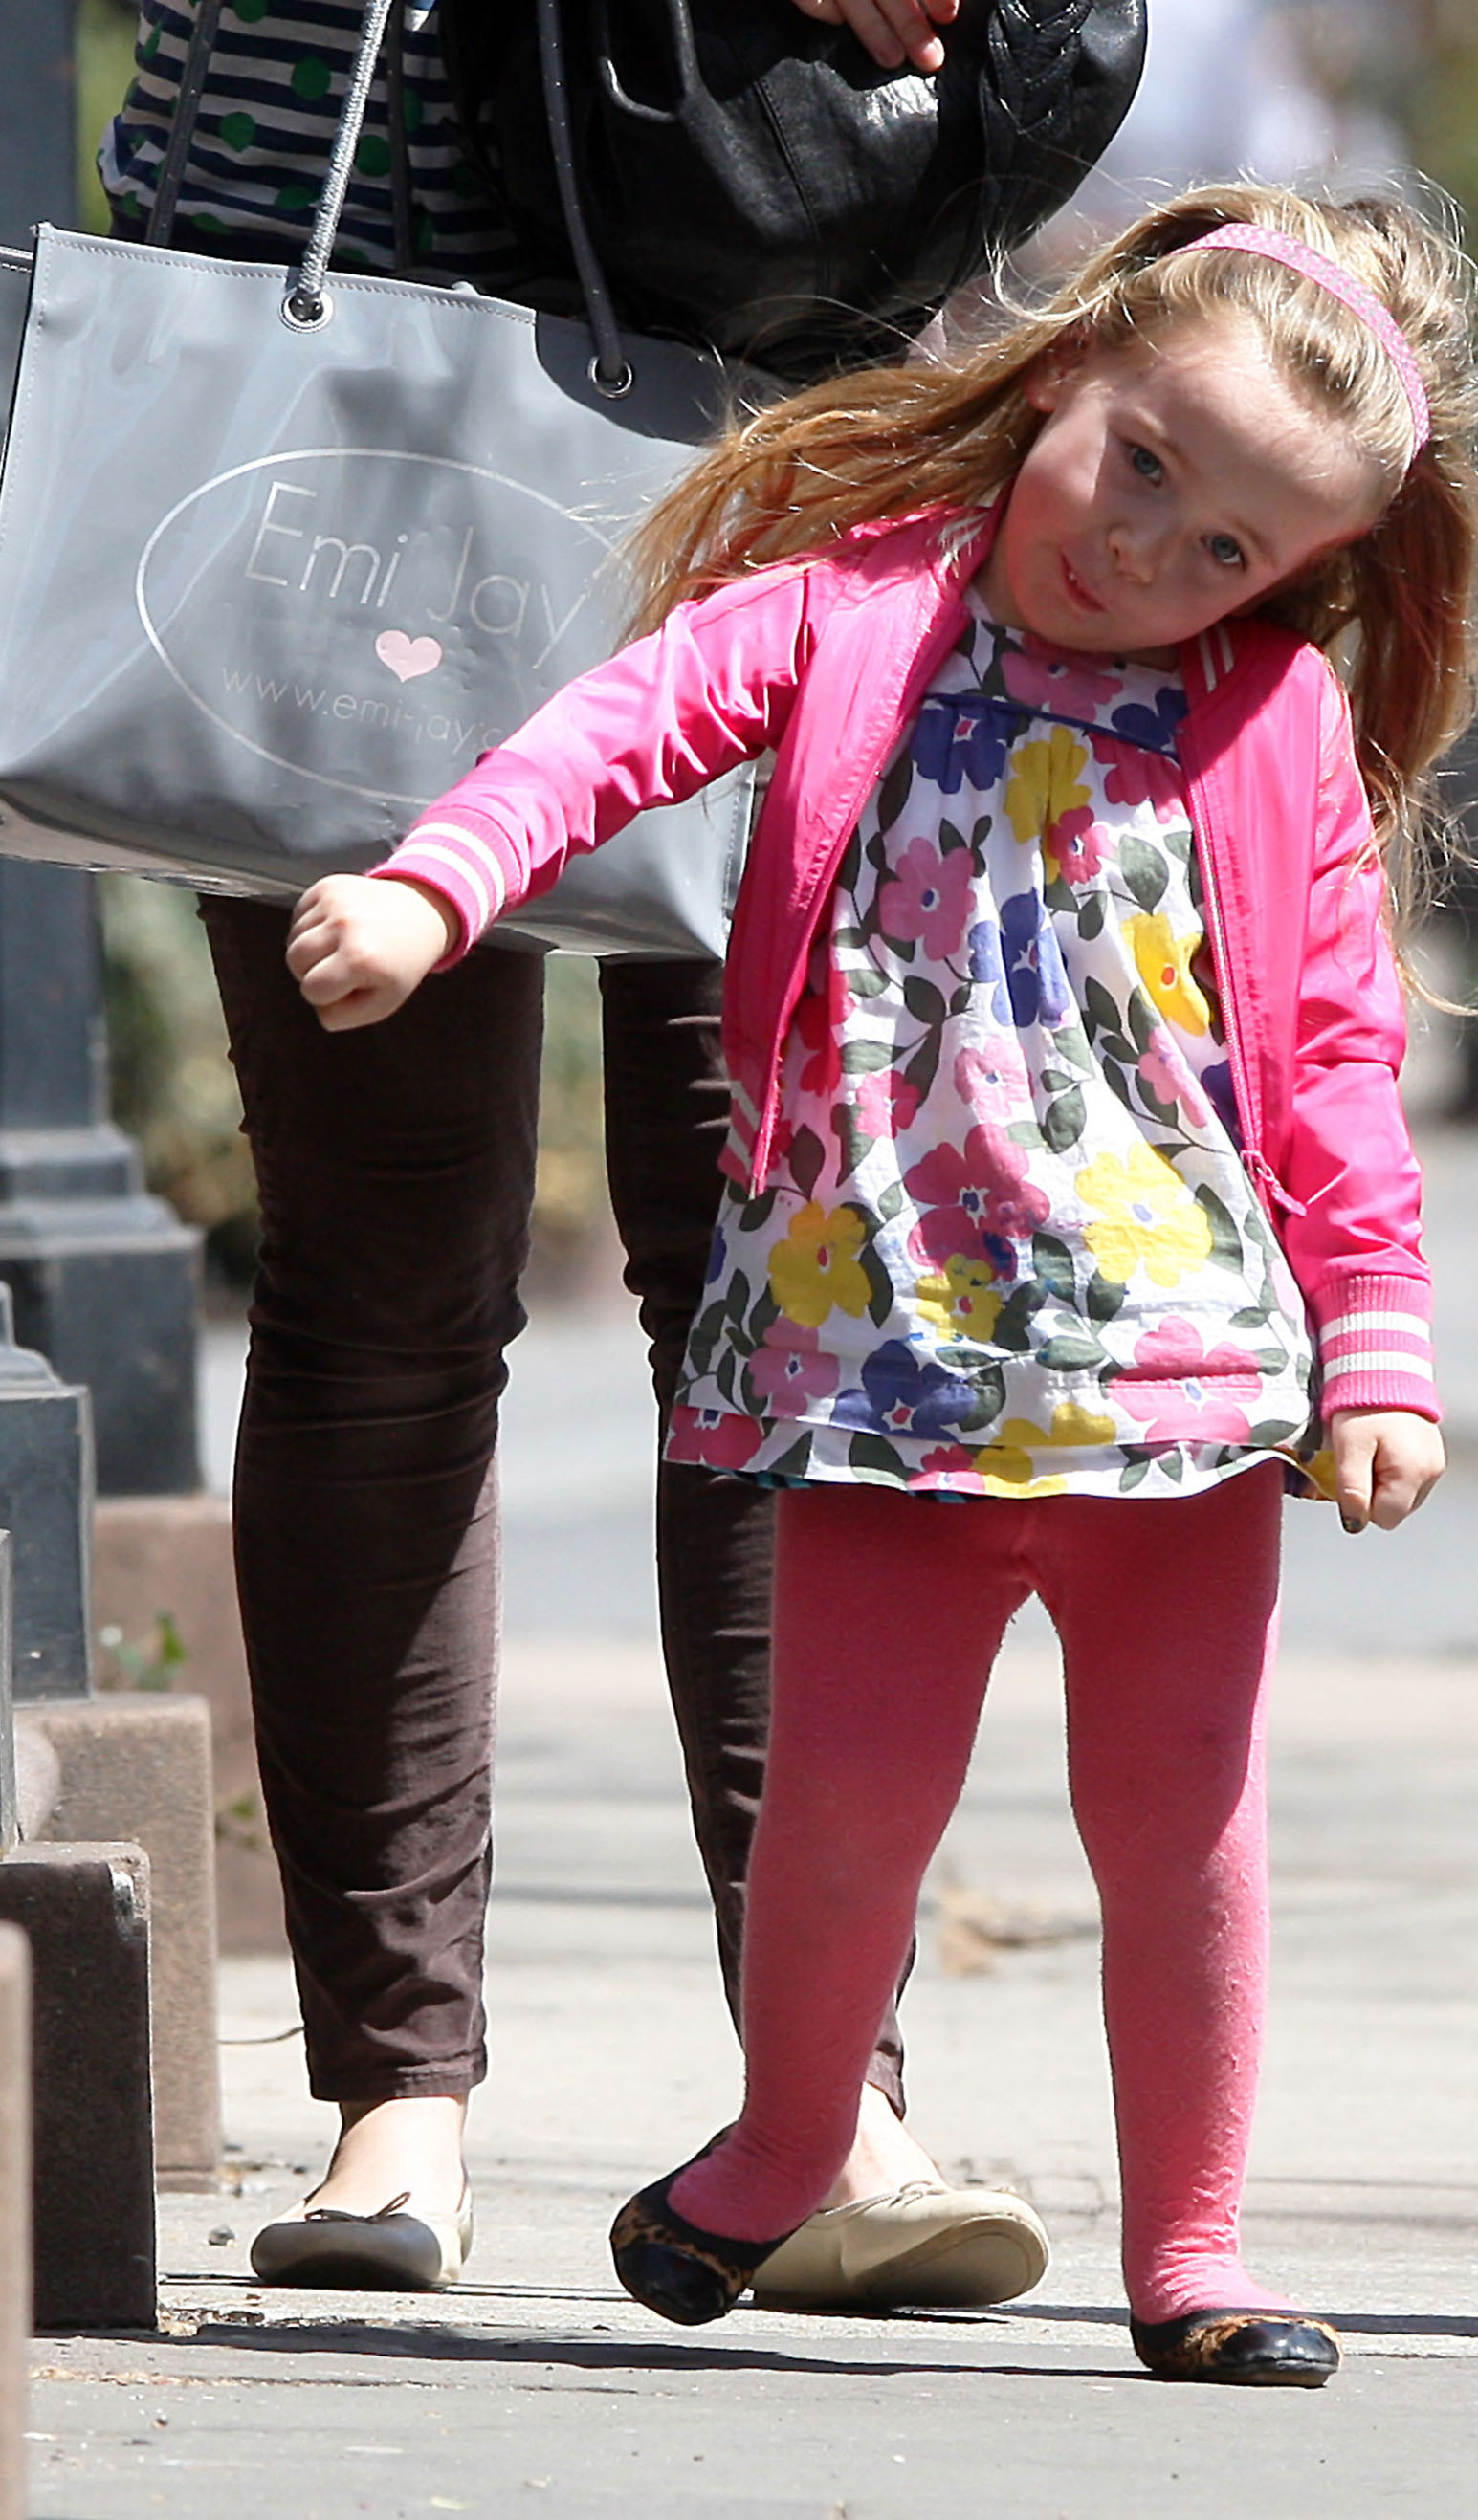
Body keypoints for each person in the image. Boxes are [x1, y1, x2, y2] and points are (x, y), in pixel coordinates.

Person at [279, 183, 1478, 2385]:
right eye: (1141, 463)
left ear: (1302, 581)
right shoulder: (848, 613)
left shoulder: (1271, 736)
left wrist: (1384, 1348)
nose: (1148, 551)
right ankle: (777, 2148)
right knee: (843, 1817)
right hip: (886, 1365)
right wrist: (437, 887)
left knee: (1181, 1824)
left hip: (1182, 1387)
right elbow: (618, 728)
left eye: (1227, 544)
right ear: (1060, 376)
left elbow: (1335, 1054)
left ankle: (1197, 2248)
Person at [98, 0, 1042, 2306]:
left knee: (773, 1276)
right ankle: (392, 2090)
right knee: (386, 1275)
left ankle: (833, 2094)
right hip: (347, 381)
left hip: (789, 400)